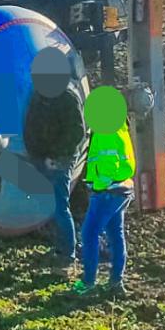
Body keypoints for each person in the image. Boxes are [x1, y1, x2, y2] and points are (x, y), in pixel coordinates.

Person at [24, 47, 87, 268]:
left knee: (60, 207)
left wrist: (56, 156)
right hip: (41, 158)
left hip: (59, 160)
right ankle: (59, 247)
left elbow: (76, 132)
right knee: (51, 206)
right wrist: (35, 154)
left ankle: (67, 255)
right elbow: (31, 125)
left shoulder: (67, 97)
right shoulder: (40, 95)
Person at [74, 86, 138, 296]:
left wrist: (98, 186)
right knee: (115, 235)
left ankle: (88, 282)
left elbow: (108, 164)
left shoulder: (106, 131)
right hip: (122, 190)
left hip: (107, 192)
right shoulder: (120, 127)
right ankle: (116, 281)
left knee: (89, 234)